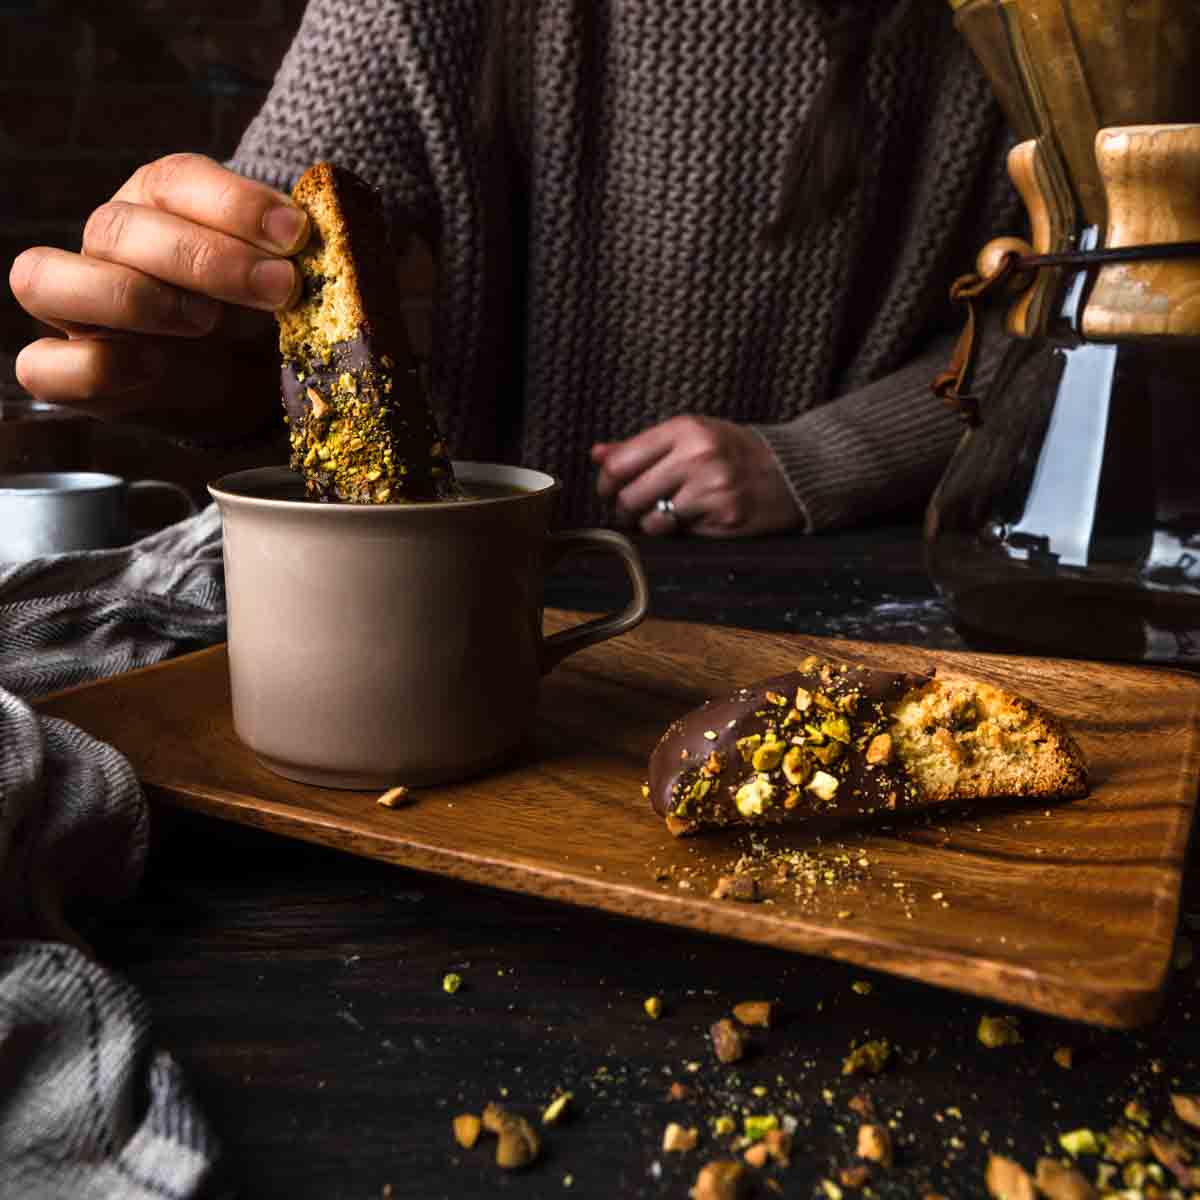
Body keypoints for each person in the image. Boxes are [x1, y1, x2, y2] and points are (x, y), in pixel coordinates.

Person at [8, 0, 1017, 538]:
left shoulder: (1010, 29)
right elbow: (288, 241)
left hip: (846, 583)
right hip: (494, 588)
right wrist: (188, 314)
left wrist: (824, 457)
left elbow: (1064, 311)